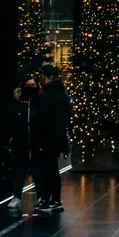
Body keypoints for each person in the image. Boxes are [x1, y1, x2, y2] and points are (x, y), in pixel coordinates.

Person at [31, 64, 70, 213]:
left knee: (47, 169)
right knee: (52, 168)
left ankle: (50, 199)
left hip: (46, 137)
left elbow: (40, 117)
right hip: (58, 136)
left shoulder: (46, 94)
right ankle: (53, 199)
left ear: (46, 77)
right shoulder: (62, 93)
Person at [3, 76, 37, 213]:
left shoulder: (36, 104)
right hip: (20, 143)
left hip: (34, 143)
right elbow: (7, 121)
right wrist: (10, 139)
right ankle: (16, 196)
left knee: (37, 171)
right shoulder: (17, 105)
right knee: (19, 170)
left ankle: (41, 196)